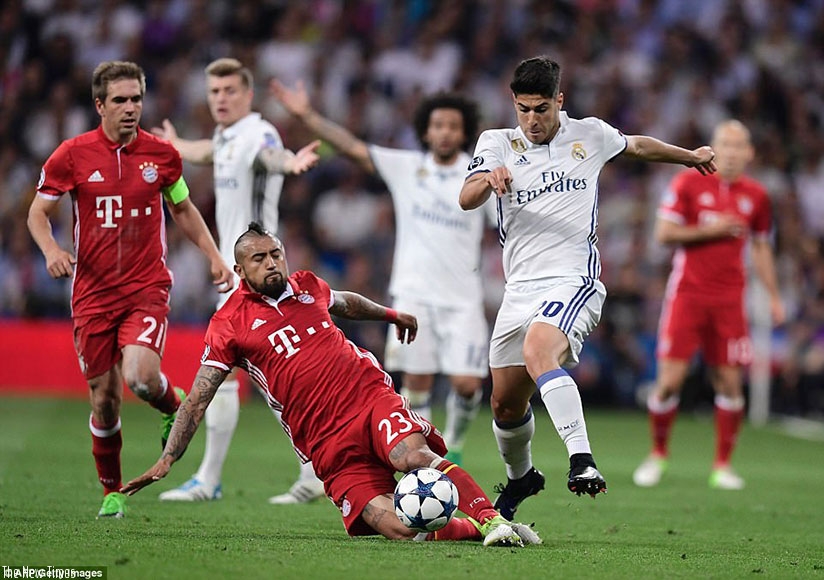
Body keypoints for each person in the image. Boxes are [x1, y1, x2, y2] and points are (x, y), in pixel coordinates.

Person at [121, 223, 541, 547]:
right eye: (259, 259)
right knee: (396, 528)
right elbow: (198, 397)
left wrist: (391, 316)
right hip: (326, 444)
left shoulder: (306, 285)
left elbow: (347, 302)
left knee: (412, 455)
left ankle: (494, 519)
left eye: (275, 254)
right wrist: (168, 460)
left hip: (368, 399)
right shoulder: (228, 325)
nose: (271, 263)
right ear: (239, 269)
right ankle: (476, 527)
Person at [458, 55, 717, 520]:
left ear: (559, 100)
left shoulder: (590, 134)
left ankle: (582, 460)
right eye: (523, 109)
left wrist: (690, 156)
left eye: (541, 108)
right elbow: (466, 196)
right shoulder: (497, 142)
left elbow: (636, 145)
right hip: (519, 288)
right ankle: (522, 480)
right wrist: (488, 180)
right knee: (503, 403)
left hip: (573, 279)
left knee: (541, 350)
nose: (532, 120)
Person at [26, 60, 234, 519]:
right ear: (100, 105)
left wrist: (214, 256)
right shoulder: (71, 155)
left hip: (146, 288)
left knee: (140, 377)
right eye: (119, 100)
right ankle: (112, 491)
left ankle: (169, 402)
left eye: (136, 99)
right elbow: (37, 214)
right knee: (104, 399)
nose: (130, 108)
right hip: (92, 295)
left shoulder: (162, 155)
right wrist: (51, 250)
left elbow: (182, 209)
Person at [271, 81, 496, 466]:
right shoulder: (407, 167)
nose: (445, 132)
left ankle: (455, 443)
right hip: (414, 293)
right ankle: (426, 453)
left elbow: (502, 225)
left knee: (468, 384)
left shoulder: (479, 177)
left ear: (465, 132)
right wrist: (307, 116)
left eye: (453, 126)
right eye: (438, 125)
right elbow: (352, 147)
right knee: (417, 381)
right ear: (426, 130)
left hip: (463, 297)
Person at [150, 57, 323, 504]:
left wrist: (291, 162)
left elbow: (271, 157)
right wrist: (177, 144)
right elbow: (211, 152)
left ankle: (212, 479)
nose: (221, 99)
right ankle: (310, 473)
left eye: (230, 91)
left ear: (248, 95)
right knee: (263, 376)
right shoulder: (226, 137)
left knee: (240, 375)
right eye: (214, 92)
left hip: (259, 275)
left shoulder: (259, 134)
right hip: (238, 276)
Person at [633, 120, 785, 490]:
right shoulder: (688, 182)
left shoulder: (758, 196)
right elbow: (664, 234)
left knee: (731, 384)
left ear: (749, 153)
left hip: (731, 300)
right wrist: (711, 230)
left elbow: (762, 247)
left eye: (738, 146)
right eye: (725, 145)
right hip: (687, 294)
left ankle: (722, 466)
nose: (731, 152)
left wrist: (774, 295)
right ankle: (658, 455)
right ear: (713, 148)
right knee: (669, 382)